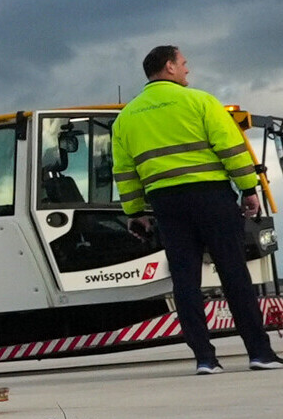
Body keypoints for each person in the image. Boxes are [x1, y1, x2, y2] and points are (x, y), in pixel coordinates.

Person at [112, 45, 282, 376]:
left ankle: (205, 359)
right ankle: (259, 352)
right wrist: (249, 189)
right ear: (169, 66)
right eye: (184, 63)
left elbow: (125, 171)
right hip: (211, 197)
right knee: (234, 273)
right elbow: (231, 148)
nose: (187, 69)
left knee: (185, 281)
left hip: (166, 204)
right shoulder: (201, 101)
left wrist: (135, 212)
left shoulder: (126, 118)